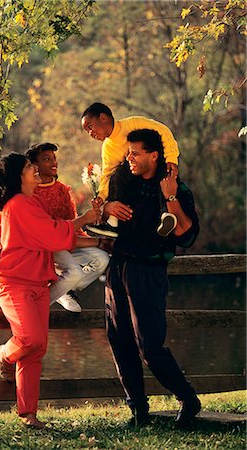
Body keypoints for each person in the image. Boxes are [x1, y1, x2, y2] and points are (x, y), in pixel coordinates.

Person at [0, 152, 99, 428]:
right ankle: (4, 353)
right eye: (29, 167)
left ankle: (29, 414)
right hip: (14, 284)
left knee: (36, 349)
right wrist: (85, 219)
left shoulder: (32, 202)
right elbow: (53, 234)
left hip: (38, 284)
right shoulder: (18, 205)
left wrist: (96, 243)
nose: (36, 169)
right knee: (28, 340)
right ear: (18, 176)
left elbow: (54, 237)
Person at [103, 129, 201, 428]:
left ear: (154, 155)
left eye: (135, 153)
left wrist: (170, 195)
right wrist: (107, 206)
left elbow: (187, 236)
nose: (129, 157)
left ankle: (188, 399)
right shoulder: (124, 180)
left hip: (148, 270)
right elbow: (105, 218)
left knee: (150, 346)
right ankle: (138, 410)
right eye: (128, 152)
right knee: (119, 340)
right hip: (118, 266)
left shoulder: (175, 187)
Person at [0, 143, 109, 313]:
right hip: (42, 245)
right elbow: (4, 218)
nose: (53, 163)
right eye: (46, 159)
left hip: (61, 239)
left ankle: (62, 289)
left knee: (102, 259)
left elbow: (70, 220)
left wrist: (90, 237)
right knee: (74, 272)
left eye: (54, 159)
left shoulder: (62, 190)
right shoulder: (25, 192)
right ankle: (48, 299)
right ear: (34, 165)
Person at [81, 103, 179, 238]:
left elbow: (163, 131)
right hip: (135, 176)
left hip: (158, 164)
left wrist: (171, 158)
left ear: (103, 118)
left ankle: (166, 216)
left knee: (161, 177)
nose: (90, 133)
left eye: (90, 127)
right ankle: (113, 223)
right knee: (117, 175)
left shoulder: (133, 123)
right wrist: (101, 197)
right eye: (87, 131)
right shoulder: (108, 148)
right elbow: (107, 173)